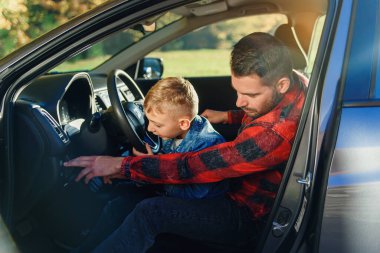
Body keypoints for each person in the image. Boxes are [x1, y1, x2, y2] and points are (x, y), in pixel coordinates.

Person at [64, 32, 308, 253]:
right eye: (237, 91)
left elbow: (194, 167)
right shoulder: (294, 83)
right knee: (124, 202)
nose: (239, 102)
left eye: (250, 95)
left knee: (151, 212)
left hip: (246, 215)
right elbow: (262, 112)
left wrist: (122, 165)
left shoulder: (274, 135)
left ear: (281, 85)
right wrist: (227, 116)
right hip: (236, 190)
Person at [70, 76, 228, 252]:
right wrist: (142, 166)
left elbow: (195, 195)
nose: (150, 129)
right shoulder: (173, 132)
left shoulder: (207, 144)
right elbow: (166, 165)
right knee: (118, 205)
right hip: (172, 192)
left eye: (157, 124)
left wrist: (152, 169)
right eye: (149, 121)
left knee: (143, 209)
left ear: (183, 123)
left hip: (202, 207)